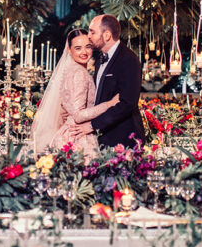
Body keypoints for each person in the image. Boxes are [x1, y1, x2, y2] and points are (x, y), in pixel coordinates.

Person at [31, 28, 120, 158]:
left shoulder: (70, 70)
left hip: (69, 132)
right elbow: (78, 115)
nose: (84, 52)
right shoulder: (79, 73)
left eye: (88, 47)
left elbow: (67, 106)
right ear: (69, 50)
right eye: (78, 48)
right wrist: (109, 104)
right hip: (77, 137)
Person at [68, 14, 145, 148]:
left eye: (92, 32)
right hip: (102, 135)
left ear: (107, 35)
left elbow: (127, 104)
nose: (89, 36)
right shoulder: (99, 59)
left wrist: (92, 125)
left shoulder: (128, 60)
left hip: (123, 136)